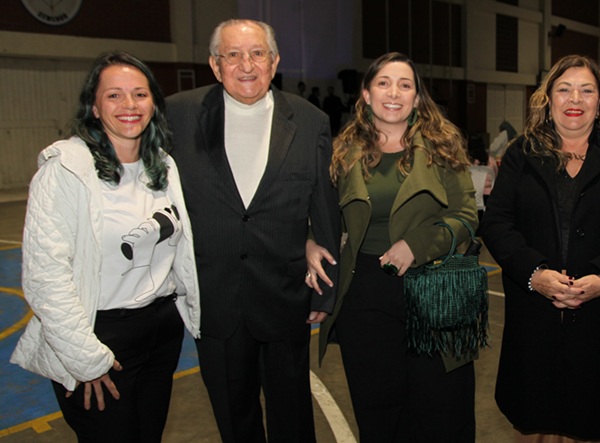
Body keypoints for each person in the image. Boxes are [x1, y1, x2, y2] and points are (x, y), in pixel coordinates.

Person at [10, 51, 200, 442]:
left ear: (153, 103)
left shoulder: (162, 166)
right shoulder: (65, 171)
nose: (129, 105)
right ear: (94, 108)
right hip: (98, 337)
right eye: (114, 95)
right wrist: (85, 359)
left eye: (140, 94)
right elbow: (46, 278)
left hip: (160, 333)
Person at [165, 19, 340, 442]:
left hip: (284, 296)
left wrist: (325, 290)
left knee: (292, 417)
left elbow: (325, 208)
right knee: (233, 418)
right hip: (215, 301)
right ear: (215, 64)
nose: (247, 65)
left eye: (257, 53)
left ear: (275, 61)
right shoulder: (177, 114)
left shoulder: (310, 120)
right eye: (233, 55)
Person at [308, 52, 479, 442]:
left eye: (405, 85)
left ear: (417, 98)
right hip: (366, 293)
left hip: (435, 284)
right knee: (377, 409)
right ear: (366, 94)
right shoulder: (342, 151)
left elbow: (467, 216)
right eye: (383, 83)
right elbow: (319, 212)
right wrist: (309, 241)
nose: (394, 93)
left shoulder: (443, 146)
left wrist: (417, 246)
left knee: (441, 407)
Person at [480, 54, 600, 442]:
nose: (575, 99)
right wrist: (534, 273)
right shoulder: (522, 153)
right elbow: (497, 223)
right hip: (533, 319)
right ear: (548, 99)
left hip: (597, 320)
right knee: (534, 422)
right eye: (564, 89)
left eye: (586, 90)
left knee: (589, 422)